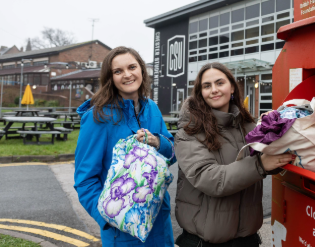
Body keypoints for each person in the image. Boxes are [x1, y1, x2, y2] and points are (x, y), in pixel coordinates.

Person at [174, 62, 294, 246]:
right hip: (204, 241)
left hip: (247, 238)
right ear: (200, 93)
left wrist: (276, 134)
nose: (214, 90)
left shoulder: (247, 125)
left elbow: (268, 161)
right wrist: (260, 165)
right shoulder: (189, 132)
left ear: (231, 87)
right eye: (207, 86)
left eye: (219, 83)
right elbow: (210, 179)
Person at [74, 46, 176, 246]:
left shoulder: (152, 108)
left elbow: (171, 154)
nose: (127, 75)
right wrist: (109, 219)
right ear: (110, 78)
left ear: (142, 71)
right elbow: (84, 180)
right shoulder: (97, 117)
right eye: (118, 71)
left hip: (160, 226)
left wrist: (158, 142)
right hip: (121, 233)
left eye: (132, 67)